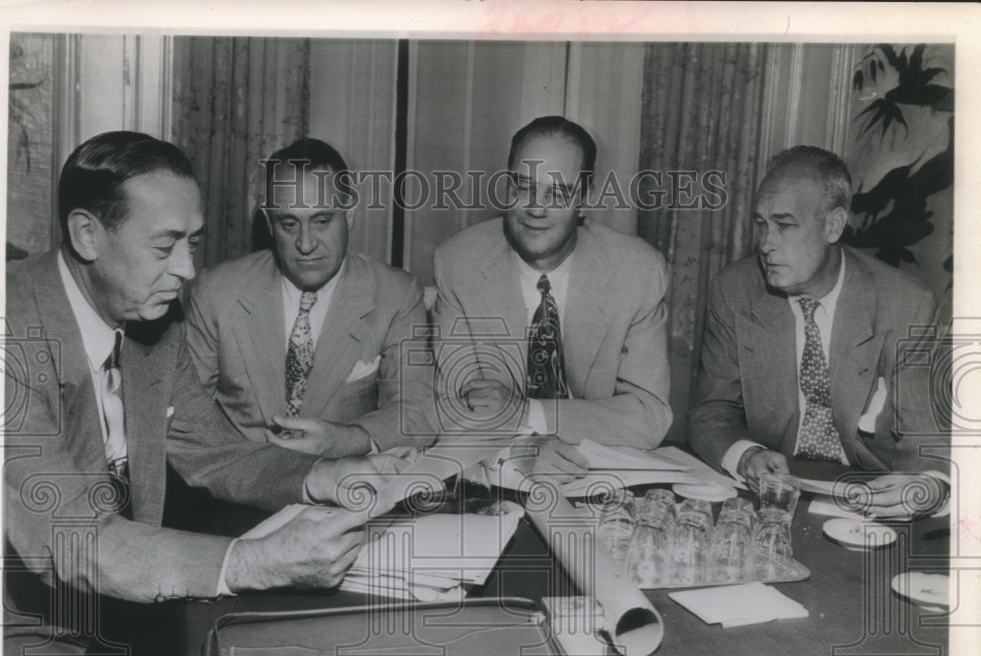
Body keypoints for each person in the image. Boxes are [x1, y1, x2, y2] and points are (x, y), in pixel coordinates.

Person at [3, 131, 394, 632]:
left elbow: (216, 452)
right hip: (20, 632)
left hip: (127, 608)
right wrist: (254, 562)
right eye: (165, 246)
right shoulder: (4, 333)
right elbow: (74, 540)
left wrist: (322, 476)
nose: (186, 269)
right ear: (87, 235)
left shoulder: (152, 319)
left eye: (192, 242)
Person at [689, 145, 948, 517]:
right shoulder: (735, 291)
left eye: (785, 225)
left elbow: (930, 443)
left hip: (871, 503)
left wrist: (928, 485)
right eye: (761, 224)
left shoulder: (906, 304)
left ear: (833, 225)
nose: (766, 244)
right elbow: (711, 411)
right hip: (770, 495)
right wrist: (746, 455)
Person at [432, 116, 671, 479]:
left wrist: (526, 412)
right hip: (496, 474)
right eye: (523, 188)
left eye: (557, 193)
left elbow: (649, 417)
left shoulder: (636, 270)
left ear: (585, 200)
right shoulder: (458, 263)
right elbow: (452, 408)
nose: (536, 209)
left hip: (597, 474)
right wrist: (520, 451)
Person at [185, 138, 436, 459]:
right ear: (269, 226)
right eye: (289, 224)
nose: (305, 244)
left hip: (346, 488)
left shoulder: (397, 294)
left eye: (322, 221)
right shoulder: (216, 291)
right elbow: (185, 417)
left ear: (349, 216)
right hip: (236, 492)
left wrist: (346, 440)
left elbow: (414, 412)